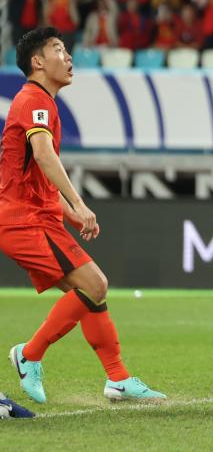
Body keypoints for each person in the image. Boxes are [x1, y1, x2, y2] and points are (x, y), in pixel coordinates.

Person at [2, 27, 165, 405]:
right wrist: (77, 203)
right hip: (24, 221)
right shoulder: (34, 100)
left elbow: (34, 177)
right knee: (95, 284)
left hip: (34, 216)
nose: (69, 56)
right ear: (37, 62)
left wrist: (67, 212)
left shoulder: (39, 101)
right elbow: (44, 155)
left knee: (90, 293)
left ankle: (118, 379)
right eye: (58, 49)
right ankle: (29, 354)